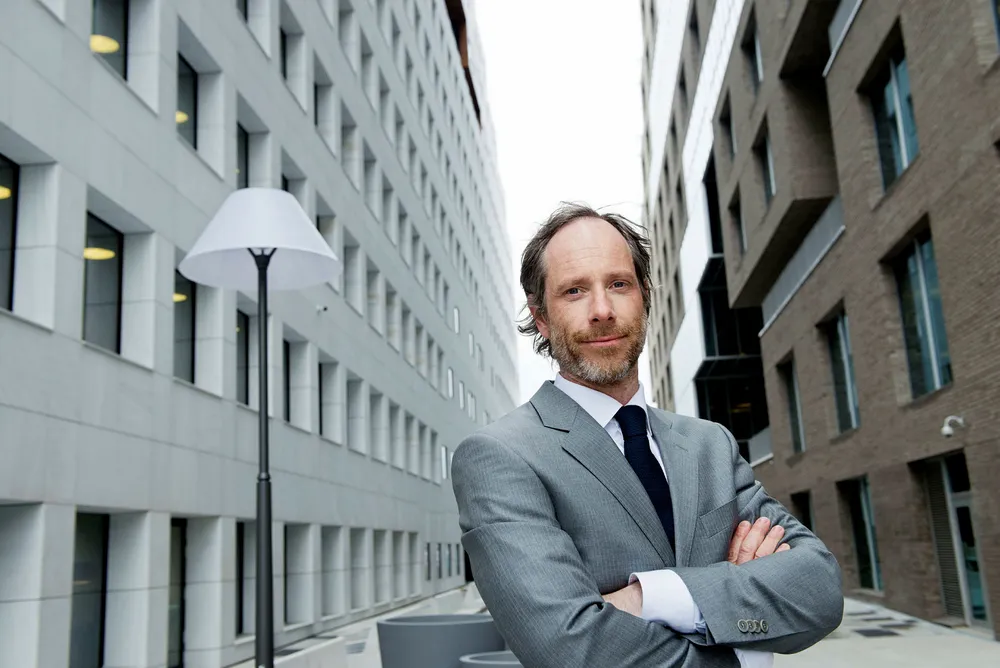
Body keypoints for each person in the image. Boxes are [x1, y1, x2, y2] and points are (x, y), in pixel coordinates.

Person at [451, 204, 843, 668]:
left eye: (619, 284)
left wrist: (651, 596)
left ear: (645, 296)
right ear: (541, 318)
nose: (602, 311)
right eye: (574, 291)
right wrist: (744, 652)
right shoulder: (500, 457)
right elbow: (571, 649)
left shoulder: (711, 446)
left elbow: (819, 591)